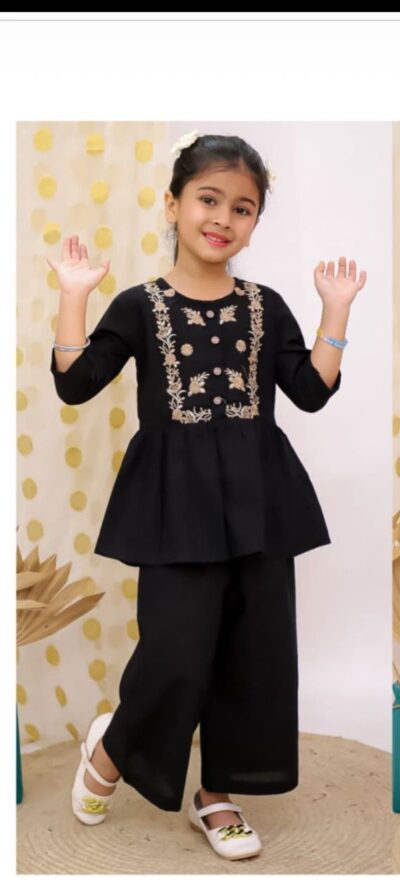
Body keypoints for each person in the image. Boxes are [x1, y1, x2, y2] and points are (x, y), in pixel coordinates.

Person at [48, 131, 366, 860]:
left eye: (243, 208)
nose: (223, 218)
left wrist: (336, 312)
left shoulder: (267, 306)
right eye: (209, 199)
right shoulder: (139, 304)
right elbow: (76, 382)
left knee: (252, 652)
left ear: (255, 223)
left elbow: (310, 391)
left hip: (261, 502)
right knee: (175, 650)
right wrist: (72, 299)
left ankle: (216, 795)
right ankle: (113, 746)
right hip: (173, 505)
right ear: (173, 204)